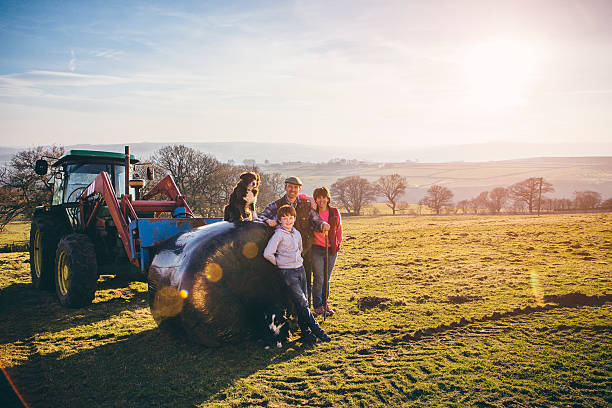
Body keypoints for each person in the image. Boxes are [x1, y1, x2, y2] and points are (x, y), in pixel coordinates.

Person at [263, 205, 331, 343]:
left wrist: (297, 260)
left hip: (299, 269)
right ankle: (319, 332)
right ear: (280, 220)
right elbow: (267, 253)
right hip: (288, 273)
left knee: (302, 303)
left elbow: (299, 249)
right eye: (285, 218)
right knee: (303, 302)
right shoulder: (278, 235)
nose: (288, 221)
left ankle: (305, 334)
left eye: (291, 218)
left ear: (295, 218)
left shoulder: (297, 233)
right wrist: (280, 263)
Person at [258, 176, 330, 305]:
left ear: (299, 189)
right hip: (284, 256)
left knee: (306, 282)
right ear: (285, 187)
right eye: (290, 187)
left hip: (304, 253)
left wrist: (323, 225)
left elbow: (316, 220)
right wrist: (268, 220)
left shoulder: (306, 205)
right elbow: (260, 216)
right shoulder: (276, 204)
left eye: (295, 187)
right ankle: (287, 312)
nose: (292, 190)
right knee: (284, 284)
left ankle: (304, 311)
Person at [311, 186, 342, 316]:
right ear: (315, 199)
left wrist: (337, 244)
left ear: (328, 198)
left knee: (327, 279)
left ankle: (325, 303)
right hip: (316, 249)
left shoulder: (334, 211)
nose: (321, 200)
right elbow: (301, 196)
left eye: (324, 197)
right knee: (319, 278)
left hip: (331, 250)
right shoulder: (312, 212)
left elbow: (339, 228)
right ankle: (318, 306)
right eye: (318, 197)